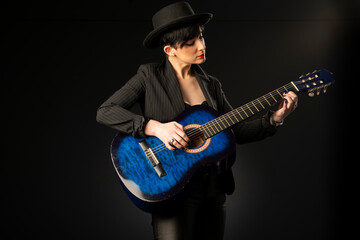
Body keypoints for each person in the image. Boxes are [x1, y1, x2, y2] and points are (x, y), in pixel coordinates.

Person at [96, 2, 298, 240]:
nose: (202, 46)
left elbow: (236, 132)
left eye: (201, 37)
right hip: (170, 186)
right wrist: (156, 128)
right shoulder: (149, 76)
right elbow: (106, 110)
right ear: (170, 50)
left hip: (214, 190)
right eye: (191, 42)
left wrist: (275, 118)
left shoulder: (211, 84)